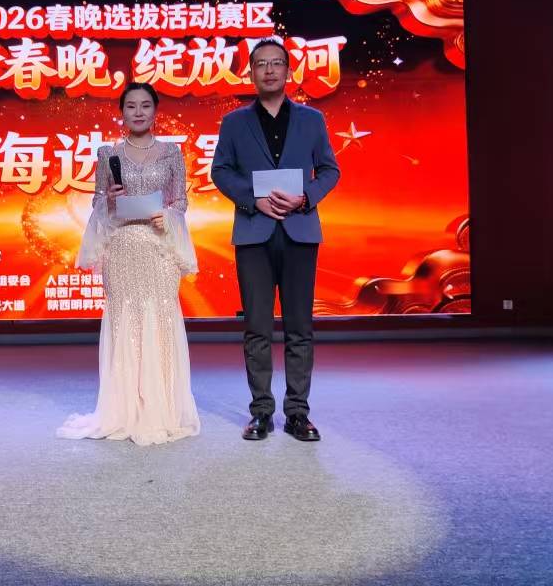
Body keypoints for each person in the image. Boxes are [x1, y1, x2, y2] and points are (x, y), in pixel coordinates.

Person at [56, 82, 200, 446]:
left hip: (159, 249)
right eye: (131, 106)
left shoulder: (171, 153)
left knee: (160, 318)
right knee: (125, 321)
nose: (138, 112)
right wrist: (109, 199)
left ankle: (161, 409)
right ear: (121, 111)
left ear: (155, 111)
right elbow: (97, 203)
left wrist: (167, 215)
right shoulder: (109, 154)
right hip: (121, 248)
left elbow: (181, 201)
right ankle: (124, 409)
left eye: (145, 105)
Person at [211, 38, 340, 442]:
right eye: (261, 64)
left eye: (276, 63)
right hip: (254, 233)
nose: (269, 70)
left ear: (288, 71)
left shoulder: (312, 119)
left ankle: (298, 413)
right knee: (257, 327)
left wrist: (306, 198)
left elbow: (330, 170)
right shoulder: (234, 122)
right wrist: (253, 201)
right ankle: (261, 412)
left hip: (300, 230)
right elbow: (220, 171)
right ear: (250, 73)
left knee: (300, 327)